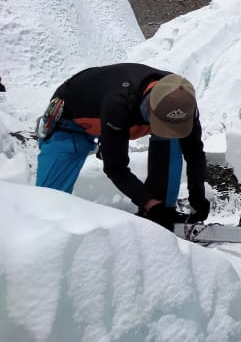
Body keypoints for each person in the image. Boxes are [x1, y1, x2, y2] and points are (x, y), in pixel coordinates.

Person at [35, 63, 209, 231]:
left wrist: (197, 193)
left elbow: (194, 152)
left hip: (124, 111)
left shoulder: (181, 101)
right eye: (160, 124)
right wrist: (149, 203)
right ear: (150, 108)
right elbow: (115, 168)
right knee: (49, 204)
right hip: (73, 121)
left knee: (173, 136)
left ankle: (163, 210)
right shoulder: (118, 103)